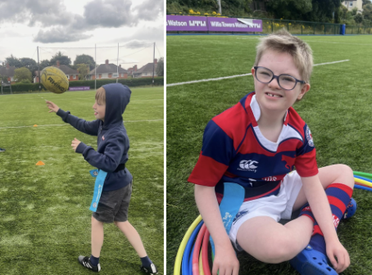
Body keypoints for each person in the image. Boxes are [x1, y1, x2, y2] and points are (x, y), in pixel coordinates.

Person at [188, 29, 355, 275]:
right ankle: (319, 215)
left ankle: (317, 232)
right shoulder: (225, 128)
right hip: (243, 205)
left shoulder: (299, 131)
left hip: (280, 188)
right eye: (265, 74)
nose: (273, 84)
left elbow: (310, 184)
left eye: (287, 79)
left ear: (302, 91)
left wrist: (331, 238)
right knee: (278, 247)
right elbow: (203, 188)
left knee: (344, 172)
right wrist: (223, 245)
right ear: (254, 74)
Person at [46, 83, 157, 274]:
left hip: (113, 185)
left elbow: (108, 163)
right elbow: (83, 124)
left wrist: (84, 149)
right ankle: (147, 263)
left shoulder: (116, 134)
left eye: (99, 103)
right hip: (122, 181)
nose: (93, 106)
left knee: (96, 221)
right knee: (121, 221)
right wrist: (61, 112)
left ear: (112, 107)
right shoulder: (104, 125)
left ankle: (94, 262)